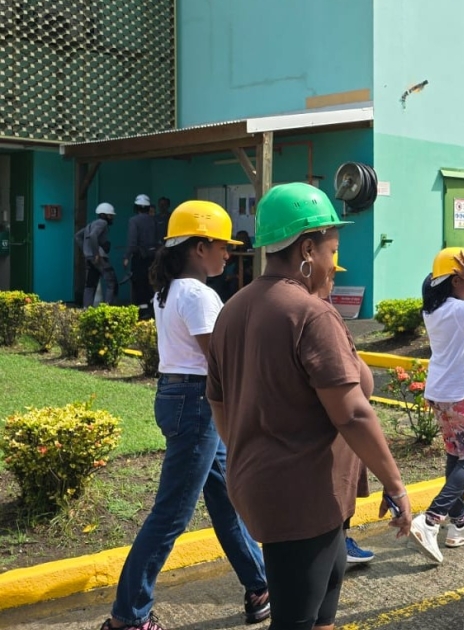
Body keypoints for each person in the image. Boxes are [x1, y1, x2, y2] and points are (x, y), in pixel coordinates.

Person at [207, 183, 414, 630]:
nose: (335, 263)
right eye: (331, 251)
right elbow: (353, 412)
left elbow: (219, 404)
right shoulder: (309, 314)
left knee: (324, 601)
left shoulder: (233, 308)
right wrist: (395, 484)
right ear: (306, 249)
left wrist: (252, 453)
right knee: (297, 618)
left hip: (276, 489)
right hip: (301, 497)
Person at [100, 201, 268, 630]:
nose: (228, 254)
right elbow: (220, 362)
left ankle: (261, 584)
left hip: (179, 396)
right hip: (198, 404)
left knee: (226, 499)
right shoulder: (198, 294)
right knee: (171, 514)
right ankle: (129, 616)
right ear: (198, 247)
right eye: (221, 246)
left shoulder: (170, 289)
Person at [408, 247, 464, 564]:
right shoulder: (459, 311)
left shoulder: (434, 310)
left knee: (455, 454)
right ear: (456, 280)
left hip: (440, 394)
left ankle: (460, 524)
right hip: (460, 395)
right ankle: (431, 520)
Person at [313, 253, 380, 566]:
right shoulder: (320, 315)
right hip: (332, 421)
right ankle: (338, 543)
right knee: (337, 485)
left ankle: (339, 540)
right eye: (332, 275)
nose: (333, 281)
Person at [124, 194, 159, 319]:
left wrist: (127, 256)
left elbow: (132, 241)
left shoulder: (134, 221)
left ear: (136, 207)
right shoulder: (154, 220)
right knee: (151, 281)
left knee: (139, 282)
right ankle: (152, 308)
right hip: (153, 256)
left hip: (139, 256)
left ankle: (142, 311)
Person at [77, 202, 118, 307]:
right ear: (104, 215)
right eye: (110, 215)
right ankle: (108, 308)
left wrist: (86, 250)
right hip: (99, 258)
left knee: (90, 284)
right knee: (111, 281)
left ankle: (87, 309)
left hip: (89, 258)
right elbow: (93, 236)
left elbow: (77, 236)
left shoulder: (90, 225)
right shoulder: (102, 223)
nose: (112, 218)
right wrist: (96, 254)